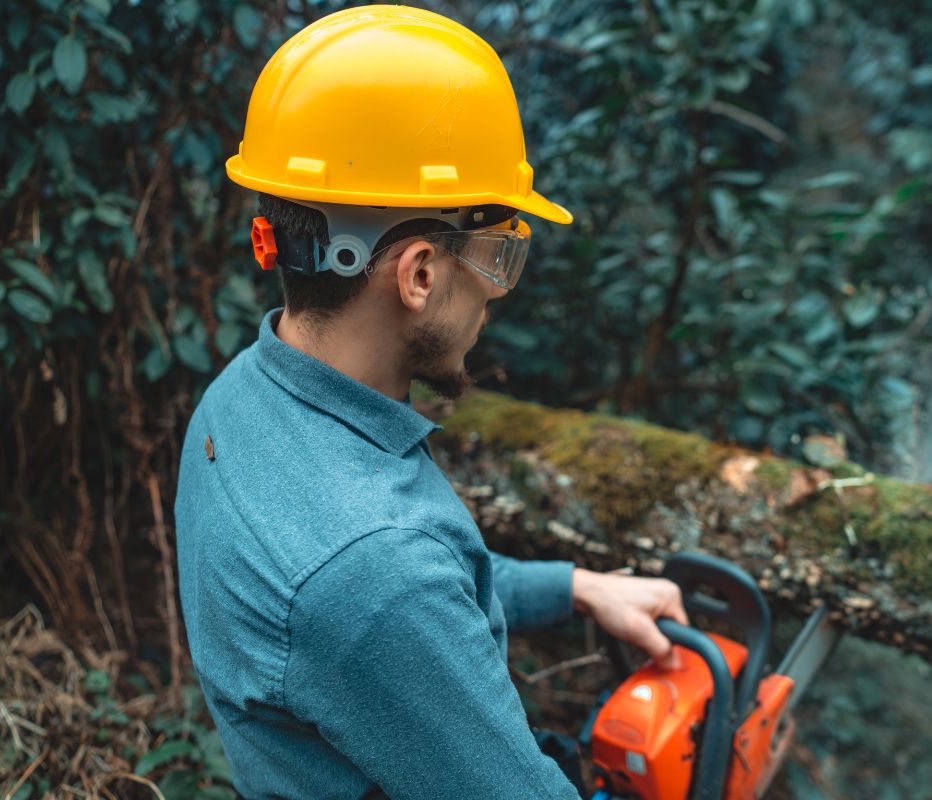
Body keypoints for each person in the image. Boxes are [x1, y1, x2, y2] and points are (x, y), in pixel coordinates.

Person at [173, 6, 688, 799]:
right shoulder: (378, 572)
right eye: (495, 254)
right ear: (417, 274)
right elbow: (389, 600)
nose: (494, 291)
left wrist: (575, 587)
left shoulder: (238, 403)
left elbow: (407, 606)